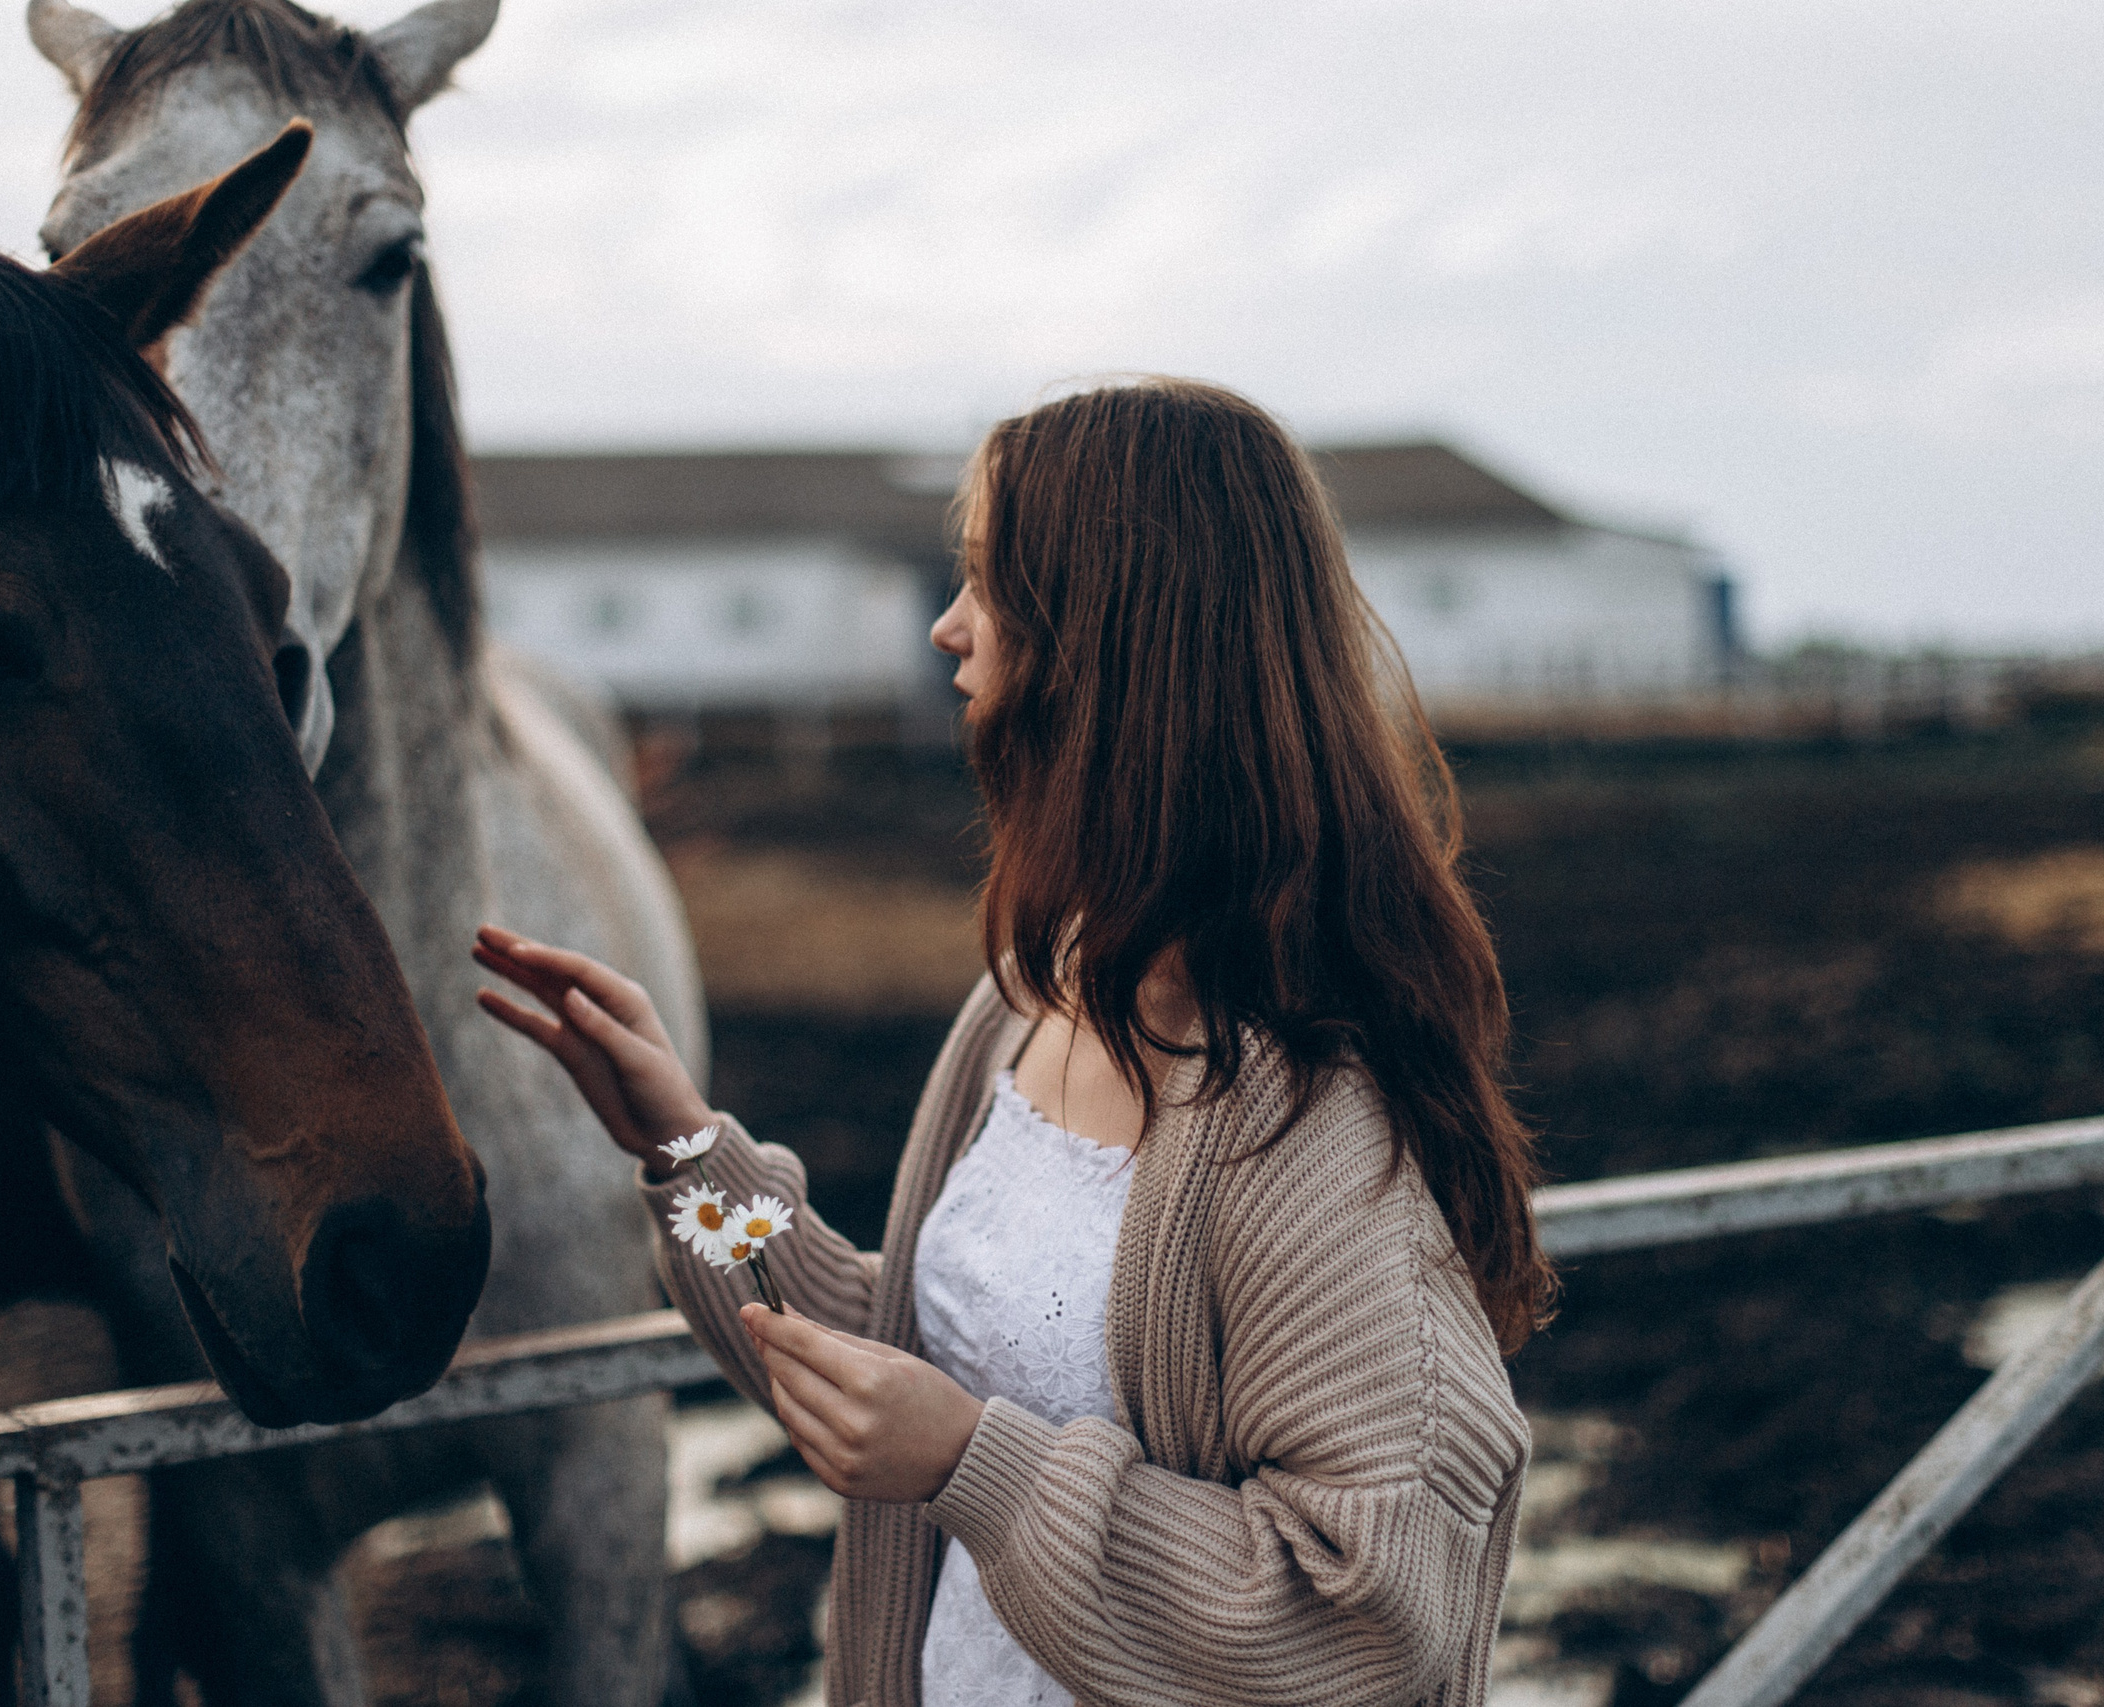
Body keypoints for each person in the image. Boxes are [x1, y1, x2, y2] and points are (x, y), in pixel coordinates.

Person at [473, 377, 1552, 1706]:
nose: (946, 629)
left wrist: (967, 1466)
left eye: (985, 583)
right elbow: (897, 1366)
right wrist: (688, 1153)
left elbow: (1371, 1624)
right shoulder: (1029, 1008)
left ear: (1109, 638)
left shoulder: (1312, 1116)